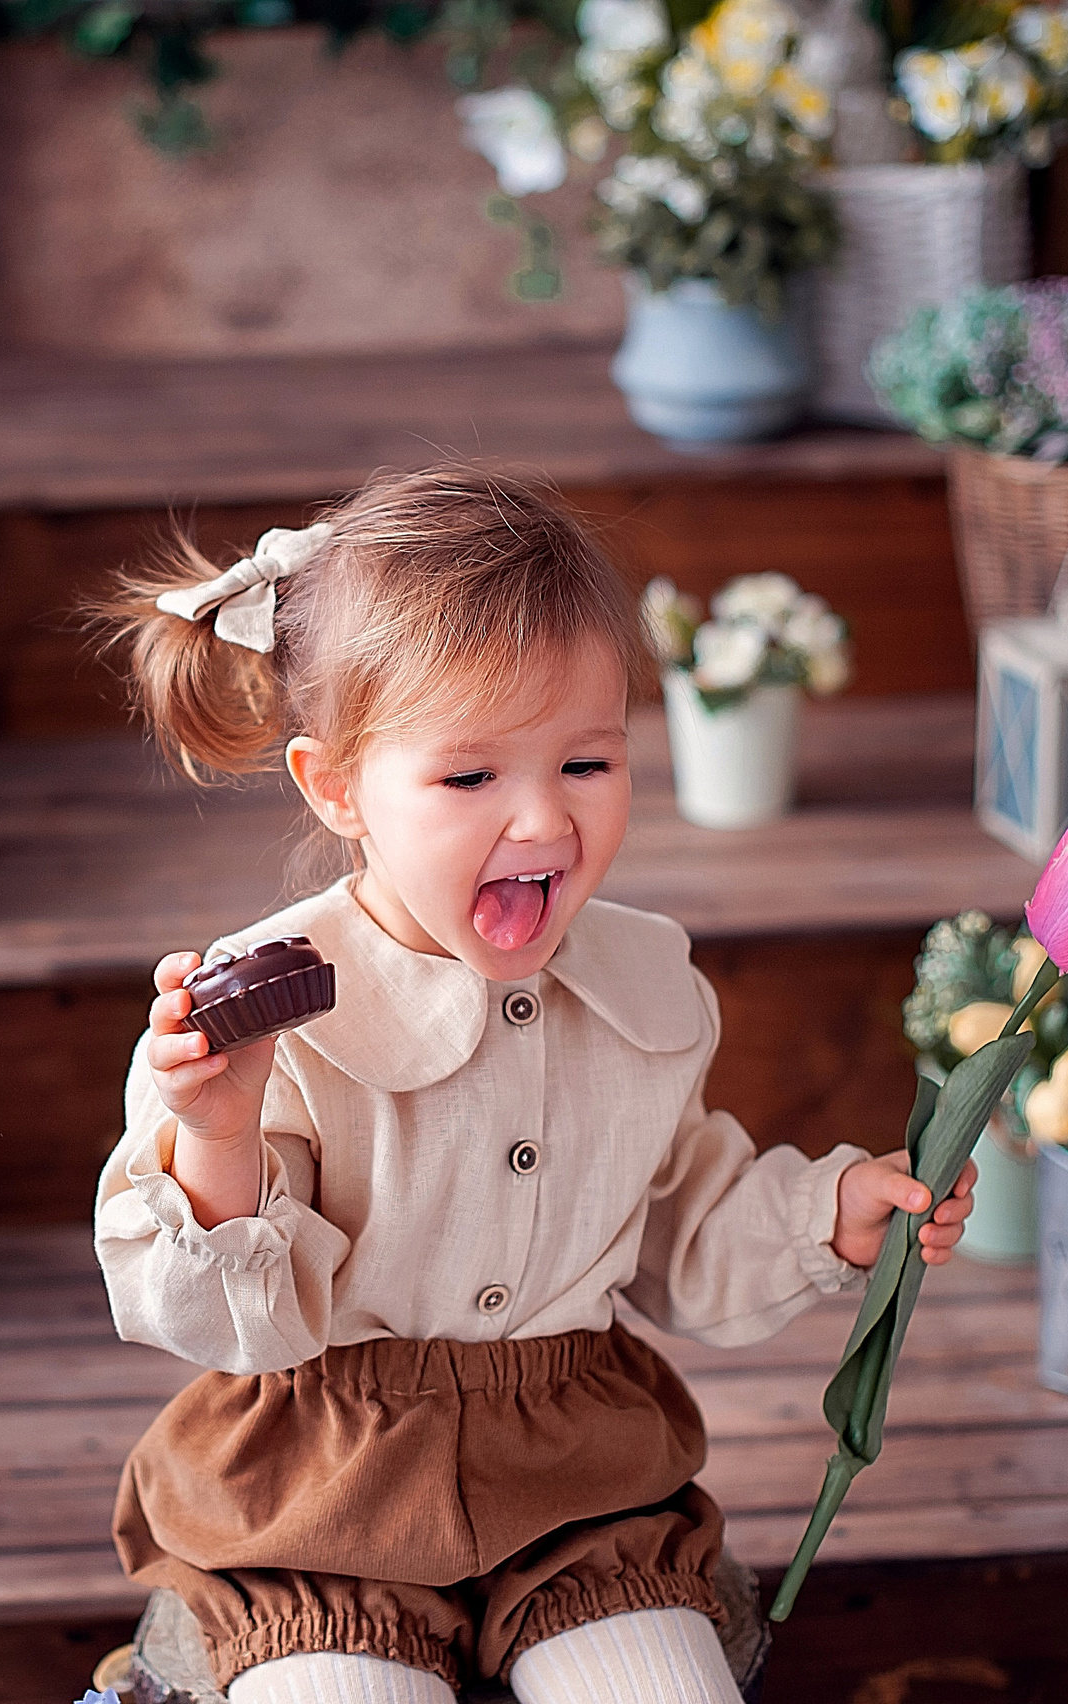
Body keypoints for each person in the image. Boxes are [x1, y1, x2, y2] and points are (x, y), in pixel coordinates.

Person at [92, 467, 975, 1704]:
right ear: (336, 786)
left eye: (585, 763)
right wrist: (219, 1133)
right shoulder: (262, 1019)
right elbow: (225, 1320)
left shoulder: (640, 986)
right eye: (469, 779)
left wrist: (825, 1217)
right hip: (323, 1496)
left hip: (580, 1492)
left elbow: (675, 1215)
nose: (542, 823)